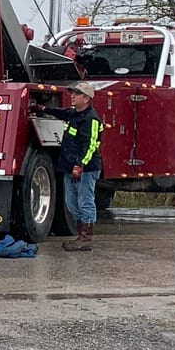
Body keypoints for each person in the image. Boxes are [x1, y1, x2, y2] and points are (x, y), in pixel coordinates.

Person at [57, 84, 104, 251]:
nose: (73, 96)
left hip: (86, 168)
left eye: (77, 94)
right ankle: (80, 234)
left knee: (85, 201)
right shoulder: (73, 114)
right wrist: (41, 108)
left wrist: (80, 165)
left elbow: (90, 145)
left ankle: (86, 237)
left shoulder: (91, 118)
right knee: (71, 203)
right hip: (70, 167)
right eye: (73, 93)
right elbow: (60, 112)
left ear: (86, 98)